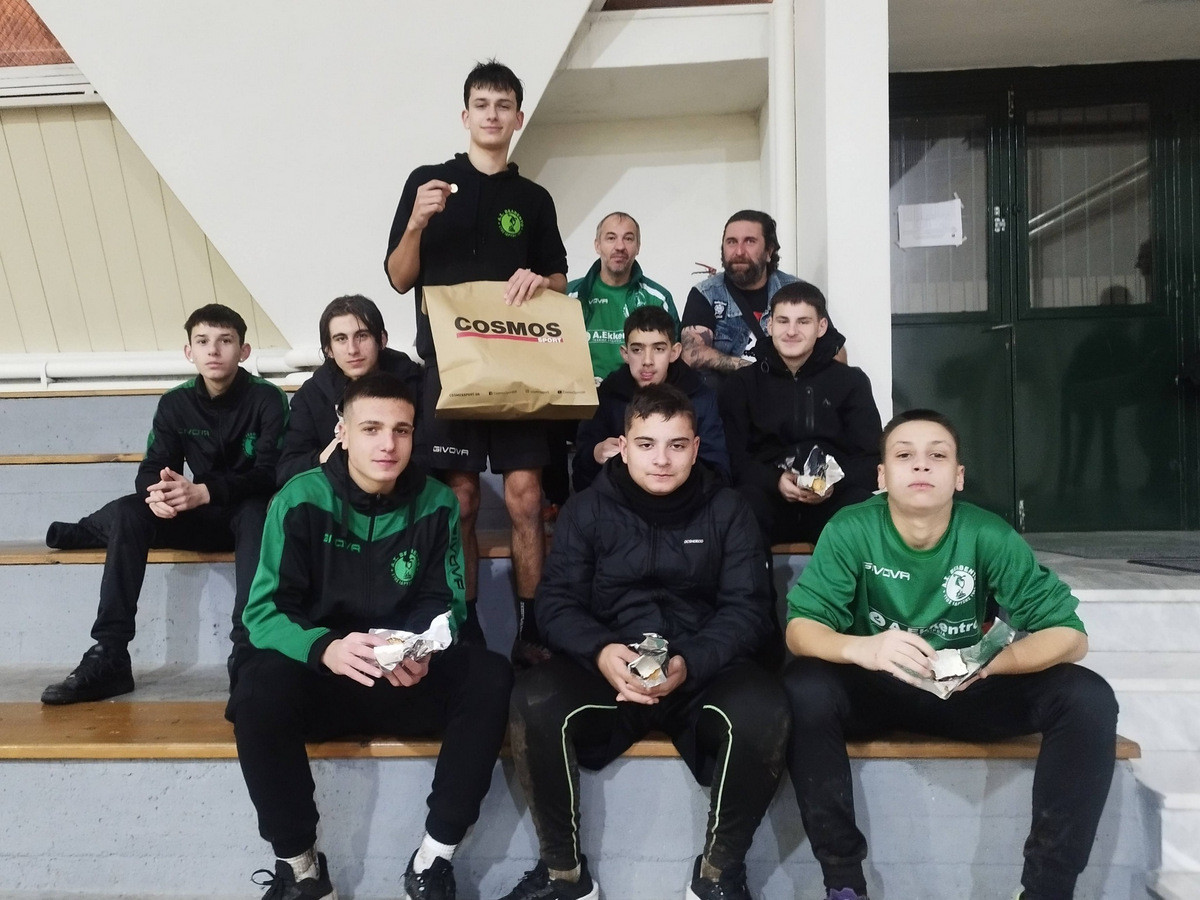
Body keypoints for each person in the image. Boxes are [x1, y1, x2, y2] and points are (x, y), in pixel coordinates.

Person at [783, 409, 1118, 900]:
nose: (921, 465)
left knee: (1088, 697)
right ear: (882, 476)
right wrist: (865, 648)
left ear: (958, 477)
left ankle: (1047, 890)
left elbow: (1070, 635)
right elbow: (800, 630)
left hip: (966, 689)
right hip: (879, 689)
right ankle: (843, 884)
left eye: (937, 456)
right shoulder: (851, 528)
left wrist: (994, 662)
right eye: (905, 456)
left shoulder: (988, 533)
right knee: (802, 686)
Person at [498, 385, 789, 900]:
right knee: (533, 700)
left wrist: (688, 661)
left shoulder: (729, 510)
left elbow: (748, 611)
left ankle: (719, 875)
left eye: (676, 445)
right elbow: (556, 603)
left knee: (765, 709)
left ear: (695, 449)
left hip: (700, 671)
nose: (661, 459)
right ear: (623, 446)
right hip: (609, 671)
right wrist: (601, 652)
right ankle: (563, 874)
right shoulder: (586, 509)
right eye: (647, 444)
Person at [230, 372, 513, 900]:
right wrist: (325, 648)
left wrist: (422, 648)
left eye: (401, 430)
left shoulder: (437, 502)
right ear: (342, 432)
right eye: (372, 428)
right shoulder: (299, 498)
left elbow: (447, 605)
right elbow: (264, 613)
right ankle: (301, 870)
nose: (388, 444)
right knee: (256, 688)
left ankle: (433, 860)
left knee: (491, 675)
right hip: (326, 677)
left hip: (402, 676)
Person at [385, 59, 568, 667]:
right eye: (482, 105)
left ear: (518, 118)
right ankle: (462, 630)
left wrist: (540, 280)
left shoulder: (533, 199)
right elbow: (398, 277)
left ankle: (532, 631)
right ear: (465, 116)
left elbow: (559, 278)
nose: (493, 115)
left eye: (503, 106)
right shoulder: (428, 183)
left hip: (519, 365)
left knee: (525, 498)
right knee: (459, 500)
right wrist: (417, 221)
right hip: (449, 366)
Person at [41, 304, 288, 703]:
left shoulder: (268, 398)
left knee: (258, 512)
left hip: (246, 516)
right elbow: (153, 468)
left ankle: (247, 653)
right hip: (196, 512)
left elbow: (272, 474)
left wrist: (205, 491)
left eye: (225, 341)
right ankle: (110, 654)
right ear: (189, 352)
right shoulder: (176, 403)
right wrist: (159, 494)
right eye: (202, 341)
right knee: (129, 511)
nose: (213, 350)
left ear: (243, 351)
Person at [720, 281, 881, 546]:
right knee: (738, 506)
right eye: (783, 321)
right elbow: (733, 458)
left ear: (821, 327)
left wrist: (829, 483)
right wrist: (775, 481)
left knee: (864, 508)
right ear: (769, 326)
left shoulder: (851, 382)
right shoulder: (741, 384)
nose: (791, 331)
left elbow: (871, 459)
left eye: (803, 322)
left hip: (833, 497)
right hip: (766, 499)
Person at [572, 306, 728, 492]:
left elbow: (719, 473)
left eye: (659, 349)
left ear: (674, 352)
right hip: (619, 498)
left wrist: (678, 466)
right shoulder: (608, 395)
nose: (647, 361)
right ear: (625, 354)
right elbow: (580, 477)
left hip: (685, 500)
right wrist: (594, 454)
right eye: (637, 349)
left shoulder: (700, 397)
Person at [681, 210, 846, 384]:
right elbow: (692, 354)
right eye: (731, 242)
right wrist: (755, 370)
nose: (739, 251)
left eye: (750, 241)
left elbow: (837, 355)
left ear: (769, 250)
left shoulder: (798, 291)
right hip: (727, 395)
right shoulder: (706, 293)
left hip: (786, 394)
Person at [276, 294, 422, 486]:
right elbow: (287, 471)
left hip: (401, 489)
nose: (352, 349)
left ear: (382, 339)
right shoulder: (311, 395)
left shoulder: (413, 383)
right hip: (334, 492)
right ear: (328, 349)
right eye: (341, 339)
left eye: (362, 336)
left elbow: (427, 459)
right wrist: (325, 456)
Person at [567, 211, 677, 381]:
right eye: (611, 238)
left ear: (638, 246)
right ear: (597, 245)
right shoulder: (569, 296)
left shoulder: (658, 298)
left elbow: (674, 363)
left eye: (628, 238)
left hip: (638, 394)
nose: (620, 246)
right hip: (580, 393)